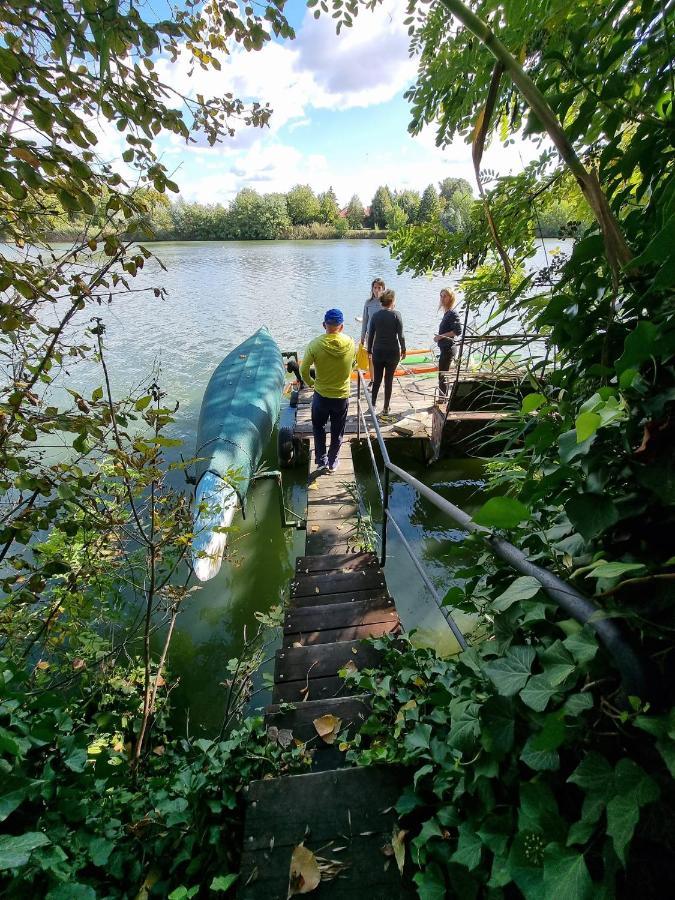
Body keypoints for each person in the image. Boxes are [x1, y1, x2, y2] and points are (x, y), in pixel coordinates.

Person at [300, 308, 355, 474]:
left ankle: (321, 460)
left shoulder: (315, 344)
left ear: (324, 325)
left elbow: (303, 370)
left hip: (321, 396)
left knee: (318, 427)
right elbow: (352, 365)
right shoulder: (351, 343)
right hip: (341, 396)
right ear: (342, 326)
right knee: (338, 430)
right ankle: (332, 462)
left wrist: (311, 383)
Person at [367, 289, 406, 417]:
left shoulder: (375, 316)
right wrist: (404, 349)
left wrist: (369, 351)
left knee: (377, 379)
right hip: (392, 352)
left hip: (378, 351)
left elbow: (371, 335)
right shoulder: (397, 315)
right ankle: (385, 407)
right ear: (392, 301)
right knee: (388, 380)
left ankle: (372, 404)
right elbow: (401, 335)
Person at [434, 288, 462, 398]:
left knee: (442, 375)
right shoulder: (447, 313)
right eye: (441, 296)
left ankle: (443, 400)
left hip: (448, 348)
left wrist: (441, 336)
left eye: (445, 296)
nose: (442, 298)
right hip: (444, 348)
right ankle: (443, 398)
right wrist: (439, 337)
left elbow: (457, 331)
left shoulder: (452, 313)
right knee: (442, 375)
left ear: (450, 298)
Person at [359, 277, 385, 387]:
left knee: (382, 358)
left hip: (383, 335)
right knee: (371, 357)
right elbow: (365, 319)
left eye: (379, 288)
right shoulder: (368, 302)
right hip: (370, 334)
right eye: (375, 287)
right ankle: (373, 379)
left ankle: (381, 379)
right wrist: (362, 335)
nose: (377, 290)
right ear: (372, 288)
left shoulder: (386, 302)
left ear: (383, 289)